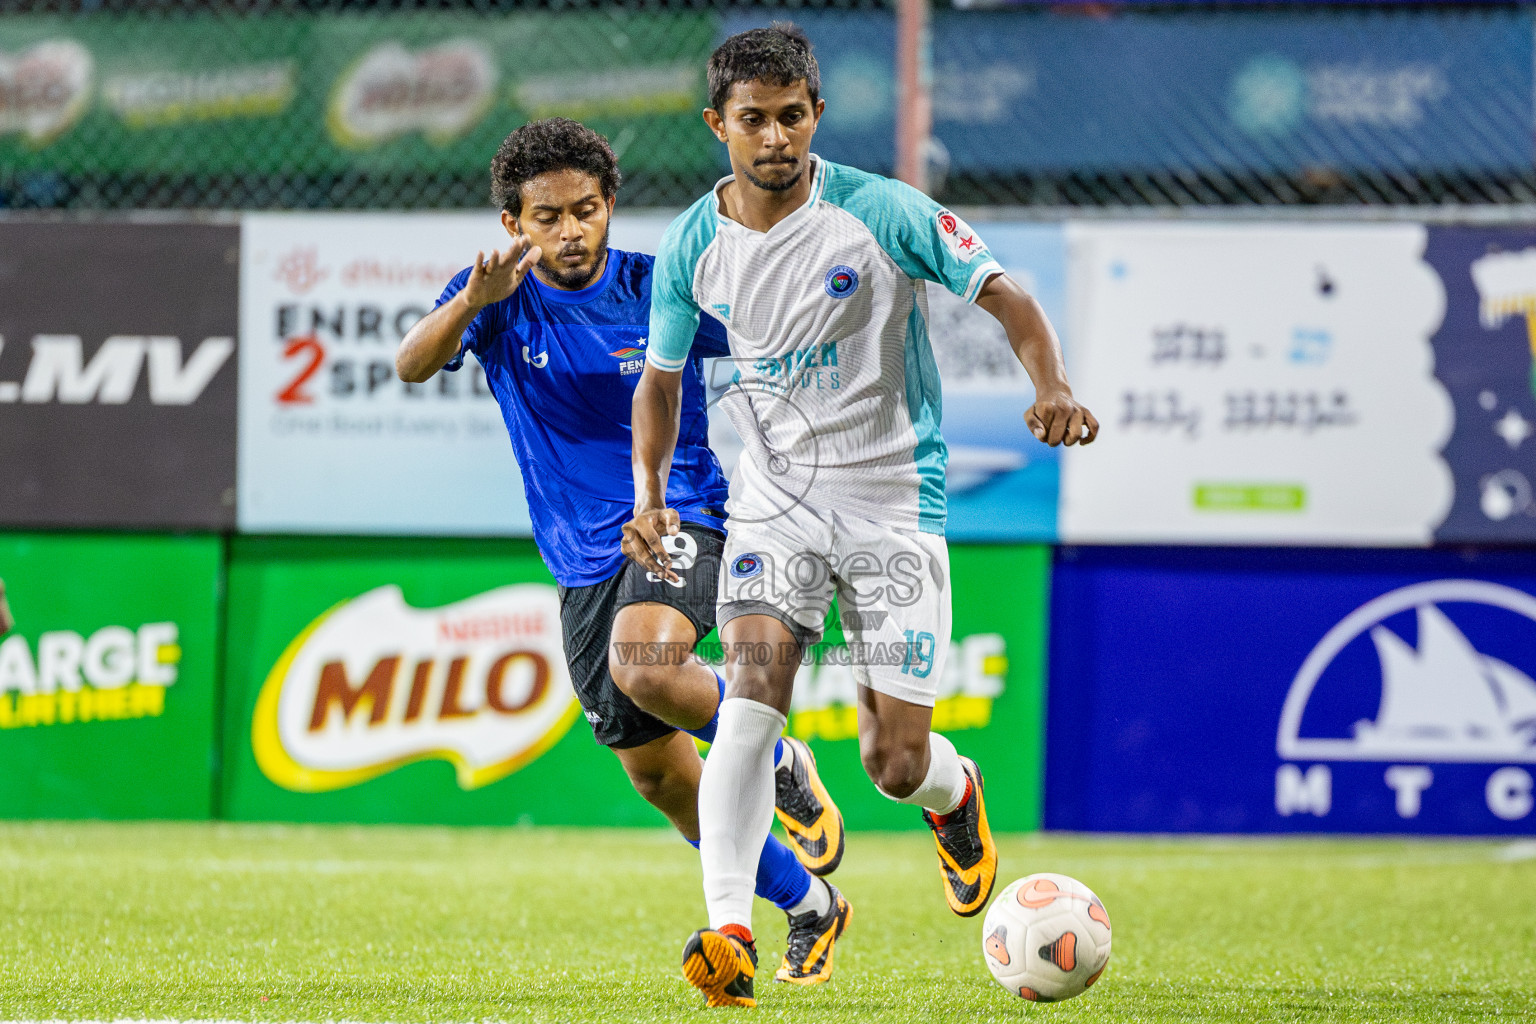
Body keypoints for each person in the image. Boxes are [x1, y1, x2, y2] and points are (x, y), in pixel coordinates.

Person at [624, 26, 1099, 1008]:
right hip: (777, 504)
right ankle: (728, 930)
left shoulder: (880, 210)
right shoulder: (691, 243)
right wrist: (651, 494)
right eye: (753, 118)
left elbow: (1005, 294)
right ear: (719, 125)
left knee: (894, 760)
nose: (775, 136)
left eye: (792, 115)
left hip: (894, 502)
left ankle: (954, 797)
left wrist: (1050, 384)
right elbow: (660, 383)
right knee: (750, 707)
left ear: (816, 116)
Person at [395, 117, 850, 987]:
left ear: (610, 207)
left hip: (680, 514)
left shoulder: (657, 288)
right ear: (513, 225)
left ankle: (778, 756)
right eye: (548, 216)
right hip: (583, 563)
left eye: (587, 209)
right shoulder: (494, 298)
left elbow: (779, 346)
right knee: (664, 784)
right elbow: (413, 364)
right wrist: (469, 303)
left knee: (645, 665)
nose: (571, 231)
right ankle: (811, 907)